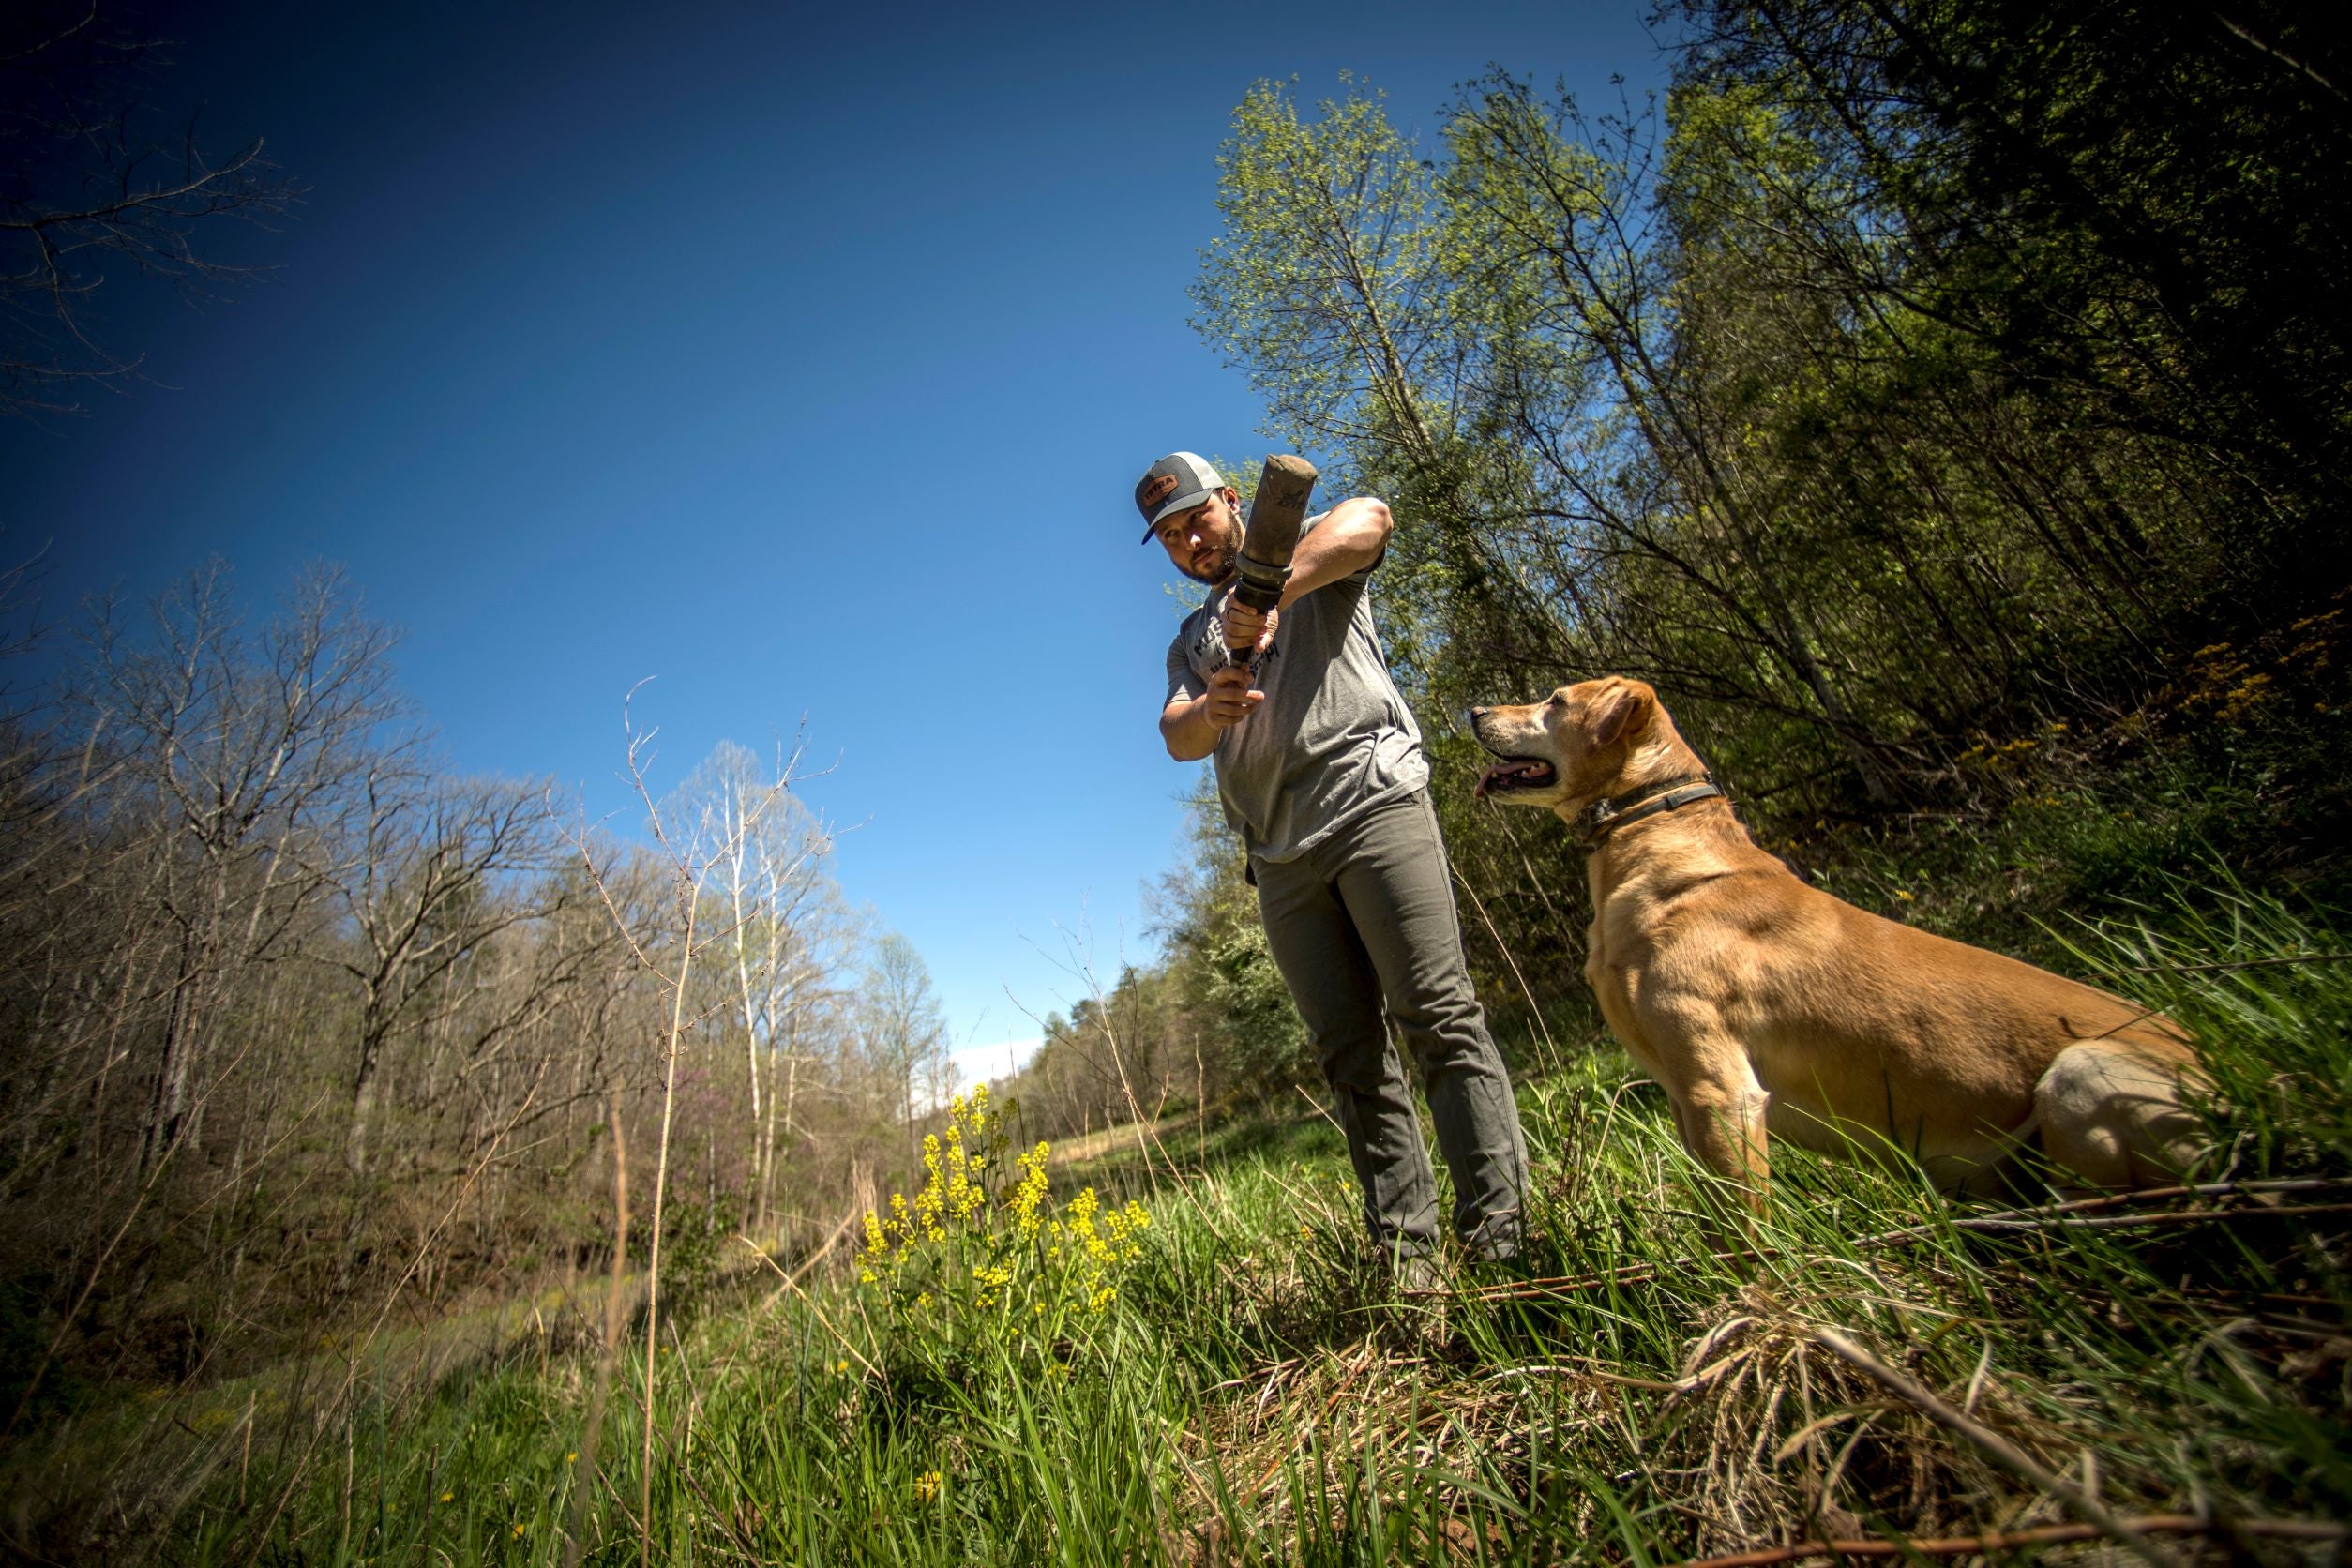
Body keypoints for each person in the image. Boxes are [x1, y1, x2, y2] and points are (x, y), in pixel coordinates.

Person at [1137, 450, 1530, 1269]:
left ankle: (1502, 1251)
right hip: (1279, 857)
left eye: (1197, 519)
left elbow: (1373, 520)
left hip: (1371, 802)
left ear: (1232, 501)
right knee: (1351, 1058)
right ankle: (1409, 1264)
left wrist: (1272, 589)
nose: (1190, 542)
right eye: (1171, 537)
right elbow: (1177, 736)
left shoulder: (1309, 543)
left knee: (1439, 1019)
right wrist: (1212, 706)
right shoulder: (1188, 641)